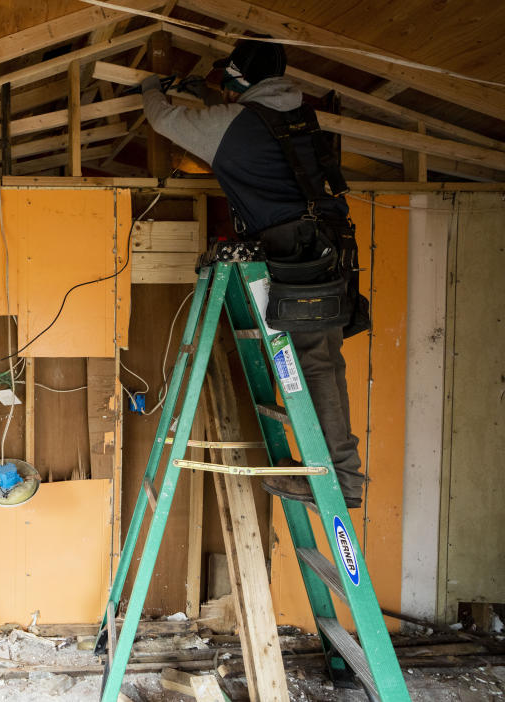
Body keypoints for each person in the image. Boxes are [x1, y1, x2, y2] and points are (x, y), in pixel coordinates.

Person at [141, 39, 368, 508]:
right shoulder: (295, 113)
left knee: (317, 364)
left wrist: (149, 84)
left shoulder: (233, 124)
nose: (223, 85)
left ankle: (342, 483)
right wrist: (207, 97)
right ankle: (340, 474)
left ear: (240, 79)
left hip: (297, 250)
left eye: (228, 77)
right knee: (325, 360)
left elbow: (163, 119)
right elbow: (239, 120)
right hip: (327, 243)